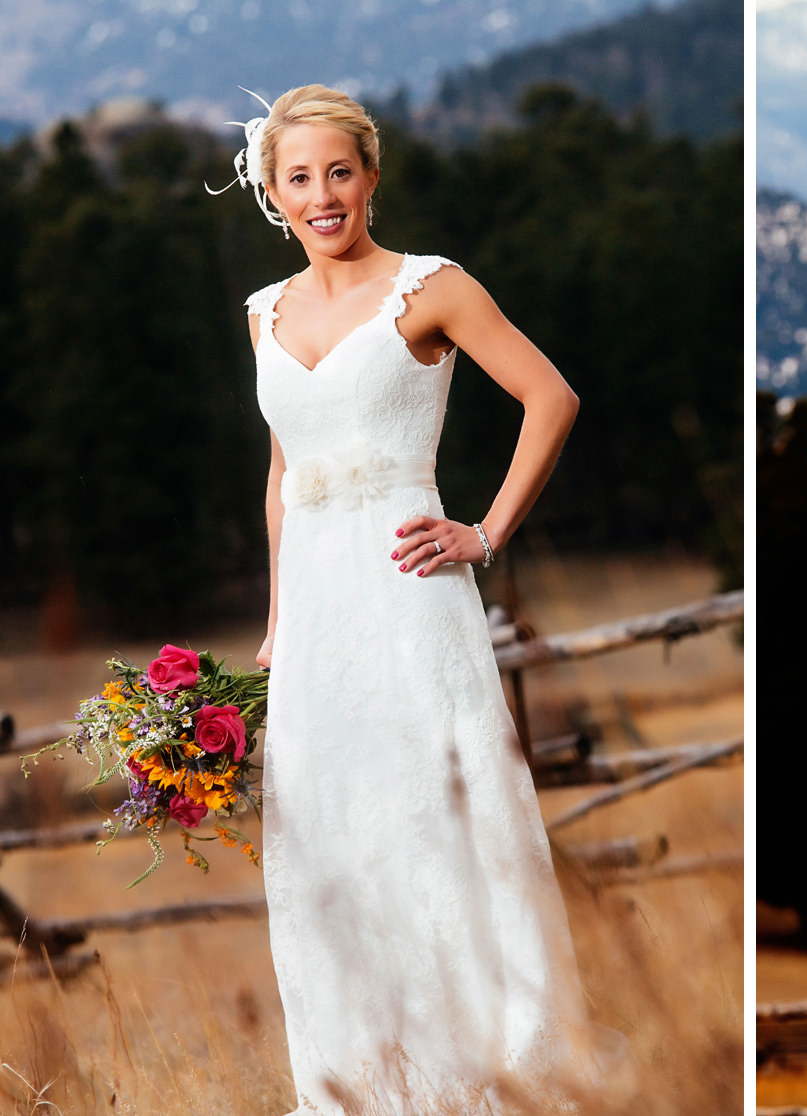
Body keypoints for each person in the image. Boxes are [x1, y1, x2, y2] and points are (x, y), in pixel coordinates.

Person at [216, 84, 626, 1114]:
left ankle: (491, 1081)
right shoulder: (263, 312)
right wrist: (276, 624)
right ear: (273, 192)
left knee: (434, 824)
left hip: (410, 600)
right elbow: (282, 475)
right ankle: (362, 1089)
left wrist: (482, 532)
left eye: (339, 174)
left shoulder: (431, 288)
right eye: (299, 179)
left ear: (371, 179)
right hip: (315, 619)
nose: (323, 196)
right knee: (331, 840)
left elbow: (552, 396)